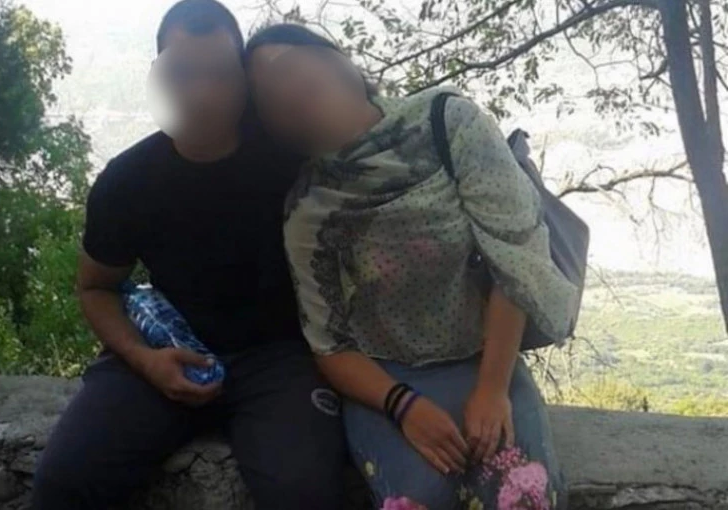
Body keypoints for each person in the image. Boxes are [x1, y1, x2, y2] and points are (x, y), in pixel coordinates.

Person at [245, 24, 579, 510]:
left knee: (523, 497)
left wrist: (492, 389)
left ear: (337, 58)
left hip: (486, 355)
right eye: (268, 95)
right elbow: (329, 344)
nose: (288, 90)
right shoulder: (308, 210)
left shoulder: (446, 122)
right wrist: (404, 406)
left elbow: (514, 257)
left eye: (289, 68)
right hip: (385, 379)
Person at [31, 4, 346, 509]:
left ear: (244, 82)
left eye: (219, 74)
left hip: (280, 358)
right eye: (182, 73)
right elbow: (96, 286)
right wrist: (145, 360)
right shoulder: (129, 181)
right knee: (63, 483)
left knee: (306, 495)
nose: (202, 94)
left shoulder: (291, 158)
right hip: (170, 348)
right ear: (159, 77)